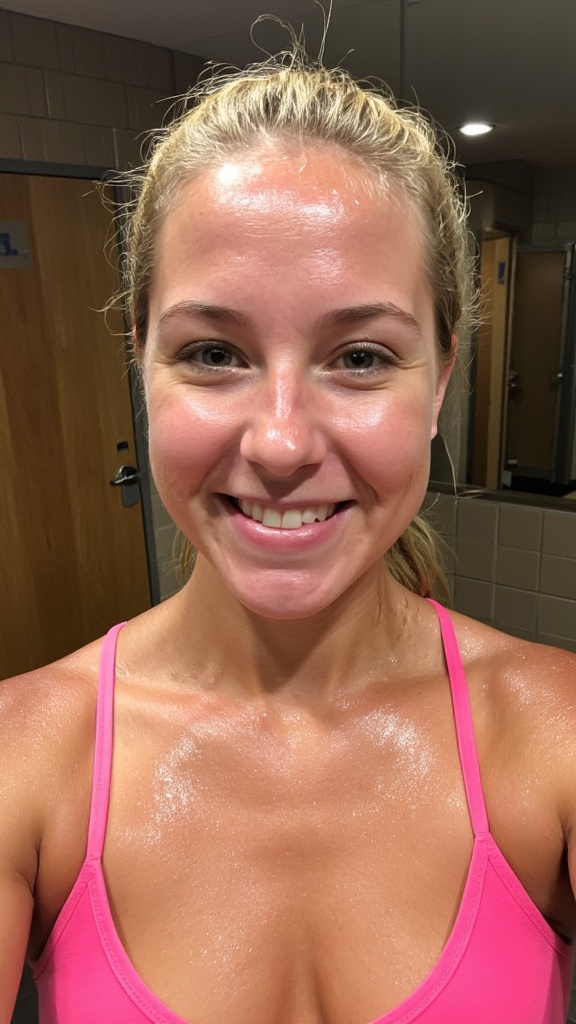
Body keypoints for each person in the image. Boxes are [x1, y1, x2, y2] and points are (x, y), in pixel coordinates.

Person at [1, 50, 575, 1024]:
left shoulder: (554, 737)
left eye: (359, 356)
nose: (278, 442)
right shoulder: (26, 759)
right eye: (213, 353)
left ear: (437, 383)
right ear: (142, 363)